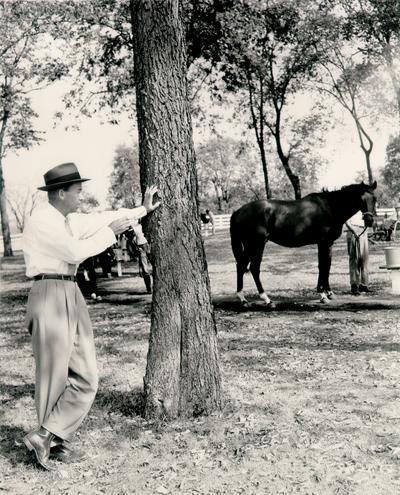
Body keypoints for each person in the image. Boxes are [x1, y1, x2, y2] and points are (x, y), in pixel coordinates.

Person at [21, 162, 160, 470]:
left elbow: (103, 218)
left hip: (70, 292)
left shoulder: (65, 218)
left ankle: (47, 435)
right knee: (53, 375)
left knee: (87, 376)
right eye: (77, 191)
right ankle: (52, 444)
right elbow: (73, 253)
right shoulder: (42, 221)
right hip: (48, 292)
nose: (80, 197)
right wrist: (108, 236)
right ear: (60, 193)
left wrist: (141, 210)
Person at [345, 210, 370, 295]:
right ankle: (354, 285)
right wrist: (353, 231)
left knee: (364, 259)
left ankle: (364, 284)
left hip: (363, 229)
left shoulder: (362, 206)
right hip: (353, 230)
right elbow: (346, 221)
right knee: (354, 260)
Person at [126, 221, 153, 293]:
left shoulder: (141, 226)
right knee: (145, 270)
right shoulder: (133, 237)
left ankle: (149, 288)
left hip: (145, 246)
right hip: (141, 248)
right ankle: (149, 288)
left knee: (148, 269)